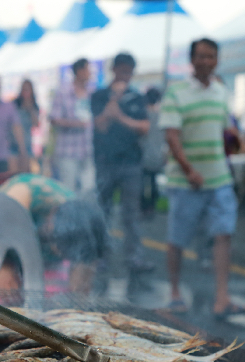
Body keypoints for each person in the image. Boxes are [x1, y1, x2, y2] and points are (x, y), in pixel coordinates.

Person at [159, 38, 241, 316]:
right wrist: (188, 170)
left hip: (219, 177)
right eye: (201, 56)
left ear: (217, 59)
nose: (207, 61)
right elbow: (171, 136)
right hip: (185, 181)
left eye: (211, 56)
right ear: (192, 60)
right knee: (178, 239)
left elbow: (225, 129)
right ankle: (174, 292)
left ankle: (222, 297)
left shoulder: (221, 91)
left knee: (223, 234)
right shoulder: (176, 92)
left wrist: (235, 137)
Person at [0, 174, 106, 296]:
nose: (55, 250)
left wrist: (81, 280)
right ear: (52, 214)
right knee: (4, 292)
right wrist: (1, 266)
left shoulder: (81, 224)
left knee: (54, 294)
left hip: (39, 257)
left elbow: (88, 258)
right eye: (56, 242)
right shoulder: (21, 198)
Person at [91, 53, 152, 273]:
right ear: (113, 70)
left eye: (129, 72)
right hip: (105, 162)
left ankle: (134, 258)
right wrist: (114, 100)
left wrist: (121, 118)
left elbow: (145, 127)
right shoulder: (99, 96)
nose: (125, 76)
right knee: (103, 211)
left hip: (131, 163)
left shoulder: (137, 98)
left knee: (131, 214)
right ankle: (100, 257)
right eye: (122, 70)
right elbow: (100, 126)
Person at [49, 58, 94, 193]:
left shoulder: (91, 92)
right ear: (79, 71)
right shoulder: (63, 92)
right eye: (87, 69)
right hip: (68, 151)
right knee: (68, 190)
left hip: (87, 149)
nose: (90, 73)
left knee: (88, 189)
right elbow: (54, 119)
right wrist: (76, 124)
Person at [141, 87, 165, 219]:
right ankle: (151, 208)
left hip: (143, 155)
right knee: (153, 183)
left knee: (143, 184)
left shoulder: (143, 115)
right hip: (157, 156)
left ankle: (145, 208)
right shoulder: (161, 116)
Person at [12, 79, 39, 160]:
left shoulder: (34, 106)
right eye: (24, 89)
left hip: (27, 143)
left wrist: (30, 108)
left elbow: (36, 124)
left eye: (28, 90)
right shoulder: (14, 104)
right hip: (13, 143)